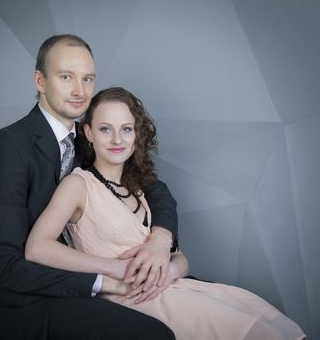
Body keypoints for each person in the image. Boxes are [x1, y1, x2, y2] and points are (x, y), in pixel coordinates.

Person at [0, 35, 178, 340]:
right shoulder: (7, 148)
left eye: (87, 79)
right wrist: (105, 279)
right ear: (39, 80)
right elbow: (4, 266)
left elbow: (154, 189)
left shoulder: (88, 140)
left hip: (82, 288)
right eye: (66, 77)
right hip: (24, 303)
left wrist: (160, 241)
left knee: (197, 299)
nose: (79, 91)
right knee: (154, 335)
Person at [25, 87, 306, 340]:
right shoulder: (78, 184)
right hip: (132, 299)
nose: (117, 139)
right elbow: (37, 247)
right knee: (258, 331)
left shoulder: (137, 189)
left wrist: (168, 270)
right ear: (88, 132)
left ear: (137, 135)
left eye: (126, 129)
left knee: (268, 317)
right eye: (105, 129)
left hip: (172, 286)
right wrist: (115, 268)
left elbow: (179, 257)